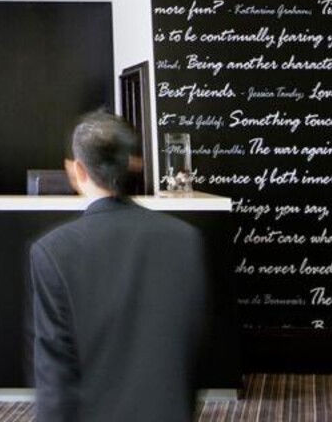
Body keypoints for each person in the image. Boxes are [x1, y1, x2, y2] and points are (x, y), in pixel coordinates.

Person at [29, 111, 207, 422]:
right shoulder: (185, 239)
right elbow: (193, 350)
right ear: (133, 164)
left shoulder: (53, 251)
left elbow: (55, 376)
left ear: (78, 170)